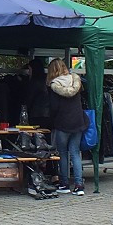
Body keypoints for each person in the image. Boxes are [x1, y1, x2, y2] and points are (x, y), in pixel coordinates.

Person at [47, 59, 86, 196]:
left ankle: (64, 184)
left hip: (62, 123)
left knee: (63, 154)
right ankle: (79, 185)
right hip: (78, 122)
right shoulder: (75, 81)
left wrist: (52, 121)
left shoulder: (54, 86)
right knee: (75, 153)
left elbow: (54, 108)